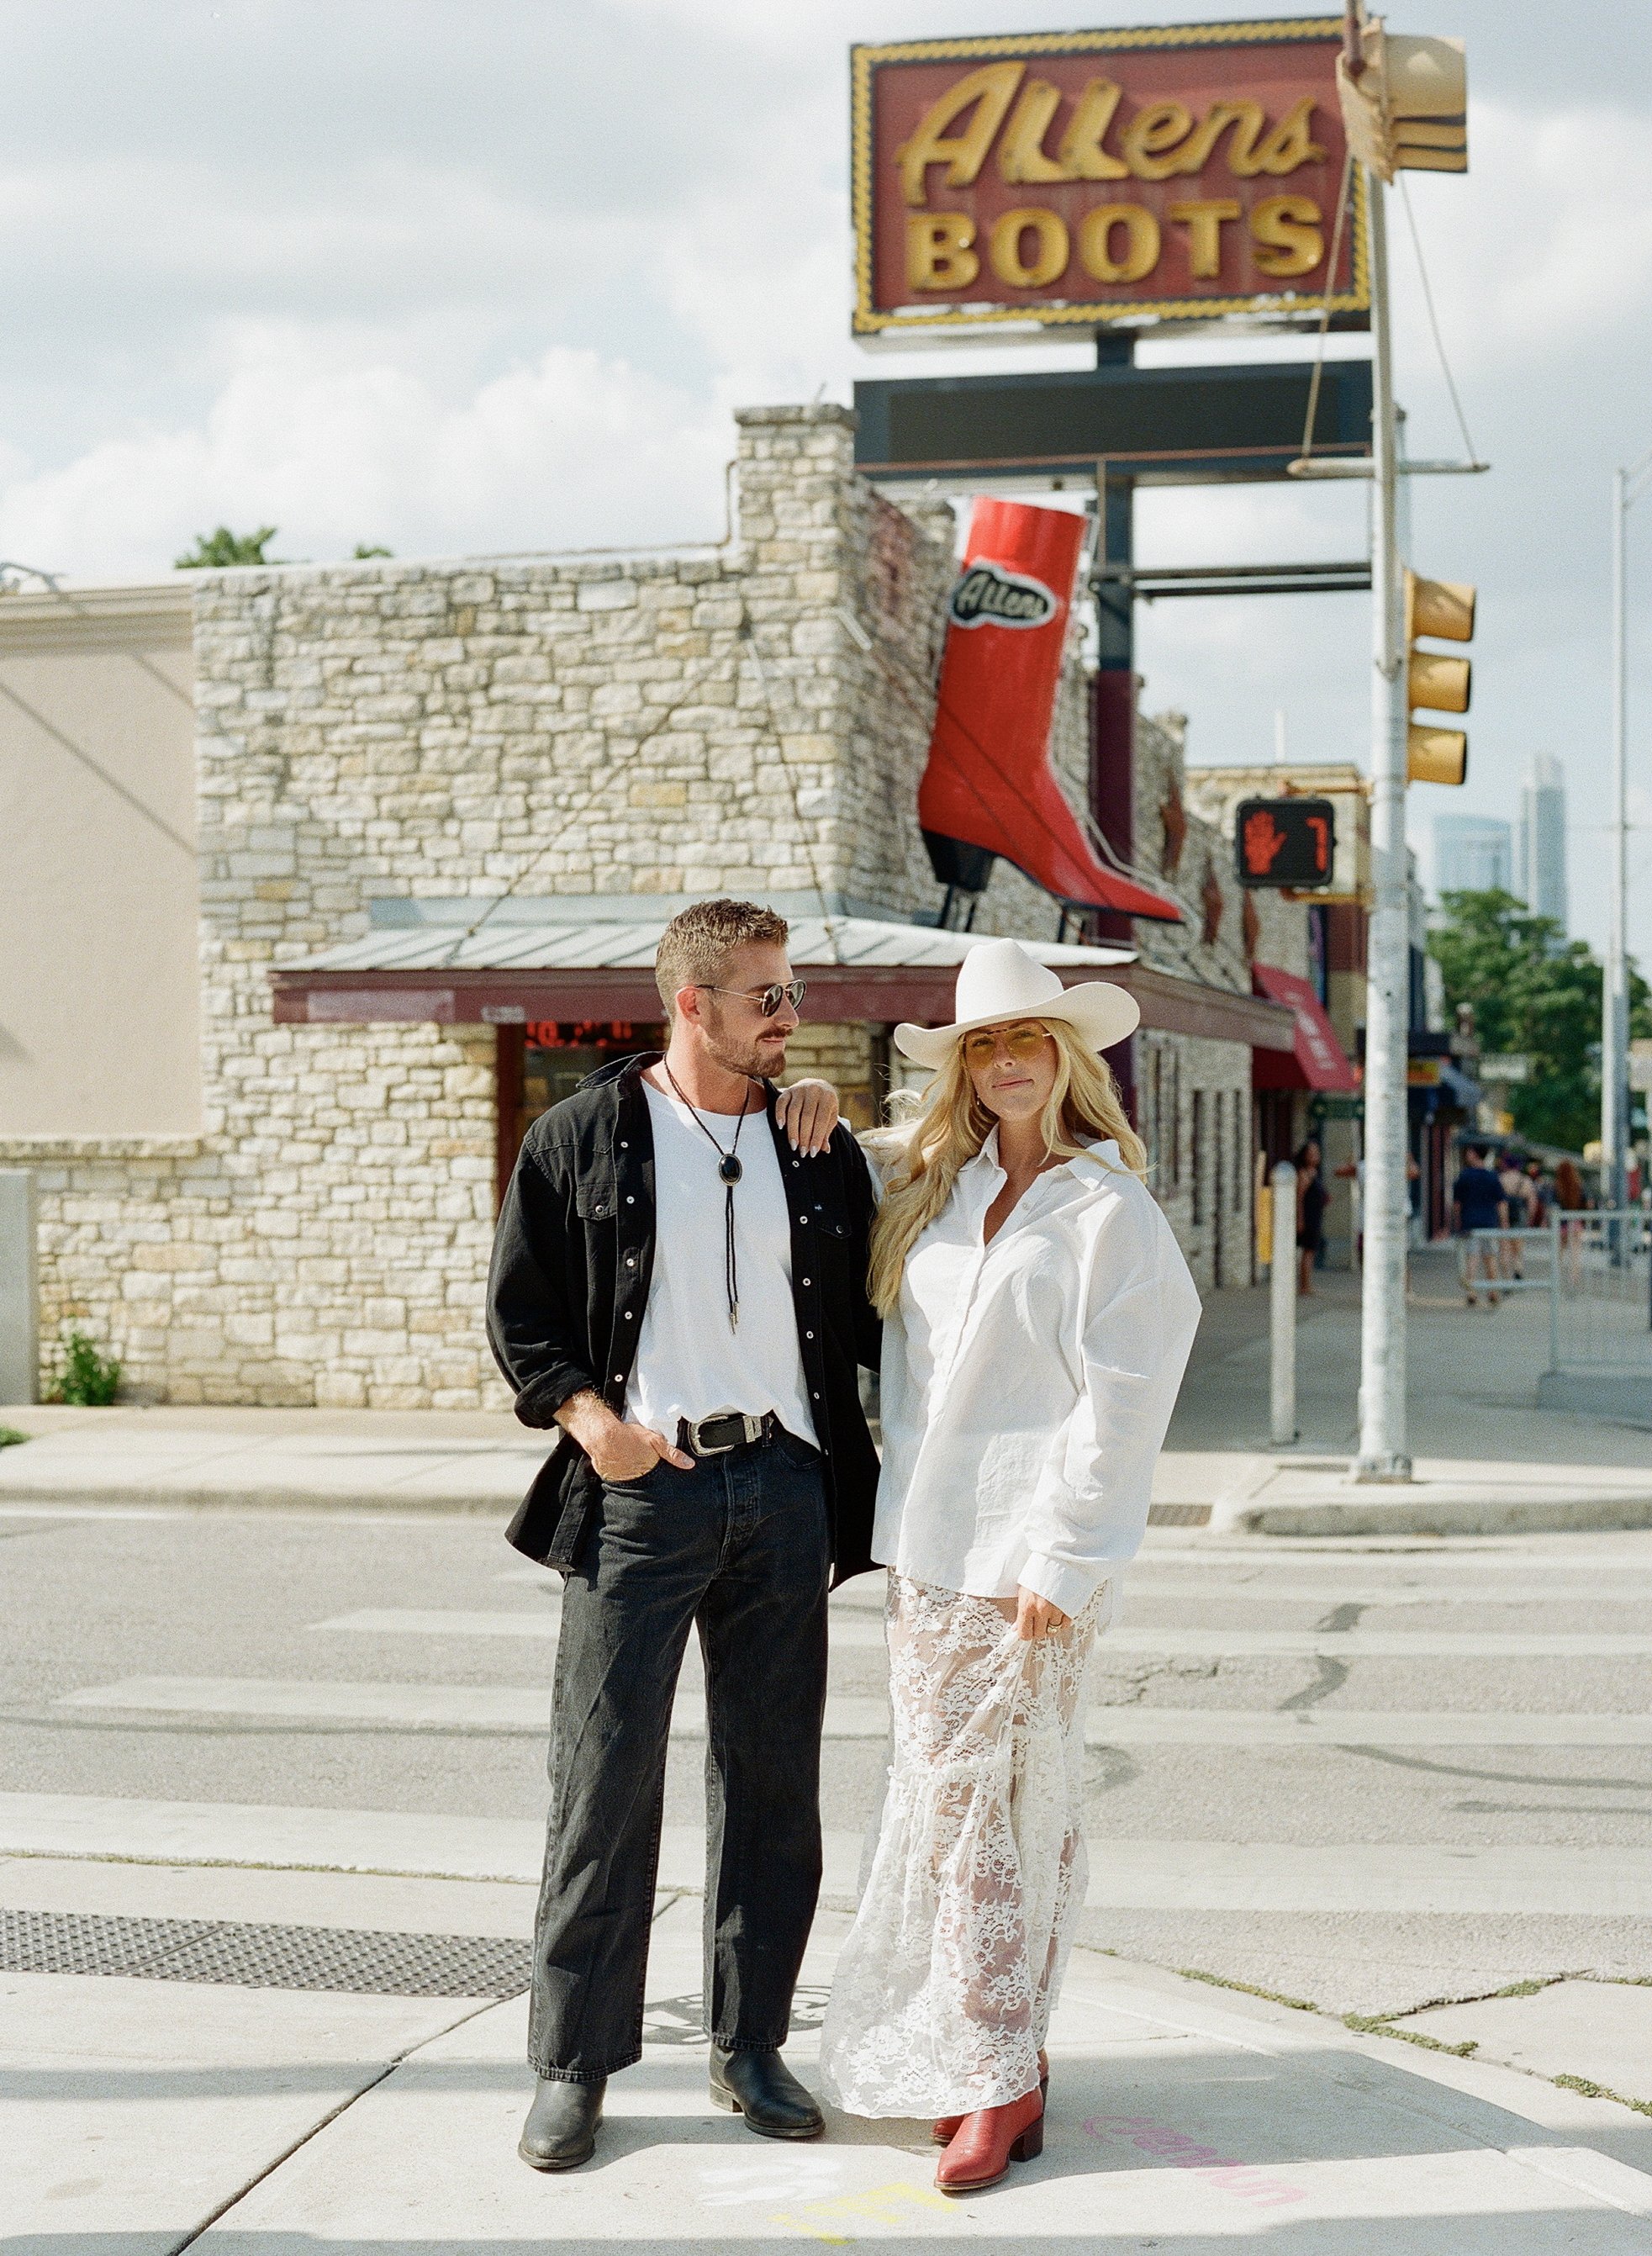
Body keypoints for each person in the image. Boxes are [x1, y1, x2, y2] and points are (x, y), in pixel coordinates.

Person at [487, 898, 882, 2172]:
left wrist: (831, 1108)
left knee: (773, 1784)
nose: (790, 1013)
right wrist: (590, 1418)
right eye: (768, 995)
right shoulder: (578, 1135)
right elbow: (523, 1314)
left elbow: (886, 1297)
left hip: (784, 1487)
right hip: (644, 1488)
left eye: (792, 992)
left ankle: (750, 2040)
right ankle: (573, 2062)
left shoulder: (816, 1143)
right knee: (604, 1782)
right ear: (694, 1002)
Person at [819, 938, 1201, 2195]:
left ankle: (997, 2072)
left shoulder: (1106, 1208)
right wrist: (804, 1101)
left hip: (1035, 1556)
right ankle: (998, 2052)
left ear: (1068, 1055)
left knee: (1004, 1807)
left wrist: (1071, 1553)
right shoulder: (934, 1184)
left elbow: (1125, 1399)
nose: (1005, 1062)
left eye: (1025, 1039)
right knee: (944, 1813)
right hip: (928, 1550)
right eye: (982, 1044)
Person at [1452, 1142, 1507, 1307]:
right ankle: (1493, 1292)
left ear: (1475, 1154)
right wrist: (1504, 1223)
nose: (1467, 1155)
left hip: (1470, 1222)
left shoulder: (1464, 1176)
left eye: (1469, 1152)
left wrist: (1457, 1222)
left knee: (1472, 1258)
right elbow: (1501, 1202)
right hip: (1489, 1223)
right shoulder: (1492, 1177)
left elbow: (1457, 1203)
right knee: (1490, 1258)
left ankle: (1471, 1292)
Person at [1294, 1139, 1327, 1296]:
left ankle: (1307, 1284)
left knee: (1311, 1250)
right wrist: (1299, 1219)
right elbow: (1299, 1198)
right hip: (1307, 1217)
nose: (1315, 1156)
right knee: (1308, 1251)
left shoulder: (1315, 1173)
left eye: (1316, 1153)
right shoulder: (1304, 1174)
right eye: (1311, 1153)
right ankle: (1304, 1285)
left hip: (1315, 1214)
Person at [1554, 1156, 1587, 1292]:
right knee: (1575, 1254)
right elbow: (1584, 1203)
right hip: (1576, 1222)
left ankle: (1556, 1279)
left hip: (1562, 1222)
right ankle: (1573, 1280)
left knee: (1560, 1253)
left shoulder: (1558, 1186)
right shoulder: (1578, 1185)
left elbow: (1554, 1204)